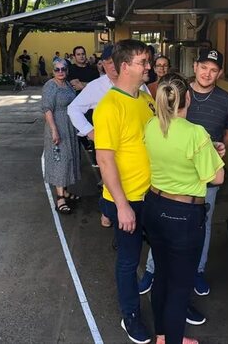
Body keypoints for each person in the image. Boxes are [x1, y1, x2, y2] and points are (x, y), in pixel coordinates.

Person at [139, 49, 228, 302]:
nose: (208, 73)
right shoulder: (178, 92)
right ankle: (152, 270)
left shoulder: (225, 100)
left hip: (204, 179)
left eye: (214, 70)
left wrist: (216, 151)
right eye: (204, 67)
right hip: (173, 180)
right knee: (170, 233)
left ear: (220, 73)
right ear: (195, 66)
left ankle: (197, 272)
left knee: (201, 229)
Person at [143, 73, 224, 344]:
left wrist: (207, 152)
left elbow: (172, 155)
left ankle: (163, 337)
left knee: (163, 276)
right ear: (187, 98)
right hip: (183, 215)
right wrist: (211, 153)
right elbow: (217, 177)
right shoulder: (195, 133)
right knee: (179, 287)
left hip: (154, 206)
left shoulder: (151, 126)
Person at [93, 39, 155, 344]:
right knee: (129, 262)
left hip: (153, 195)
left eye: (148, 61)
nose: (149, 67)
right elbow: (104, 160)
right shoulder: (109, 106)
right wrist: (121, 206)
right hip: (127, 200)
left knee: (167, 253)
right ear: (125, 66)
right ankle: (130, 314)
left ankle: (171, 304)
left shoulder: (145, 100)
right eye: (143, 62)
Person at [67, 46, 151, 228]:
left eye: (116, 62)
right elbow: (73, 109)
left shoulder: (140, 86)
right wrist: (89, 132)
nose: (113, 67)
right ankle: (112, 213)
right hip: (109, 148)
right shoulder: (96, 86)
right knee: (111, 183)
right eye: (109, 64)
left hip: (133, 152)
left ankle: (114, 214)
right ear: (103, 65)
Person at [41, 58, 81, 214]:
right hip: (57, 124)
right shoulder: (50, 86)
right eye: (57, 69)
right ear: (53, 71)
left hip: (69, 126)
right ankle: (60, 199)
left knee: (68, 158)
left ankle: (64, 191)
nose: (60, 72)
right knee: (60, 160)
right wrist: (54, 130)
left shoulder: (68, 85)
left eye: (63, 69)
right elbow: (47, 109)